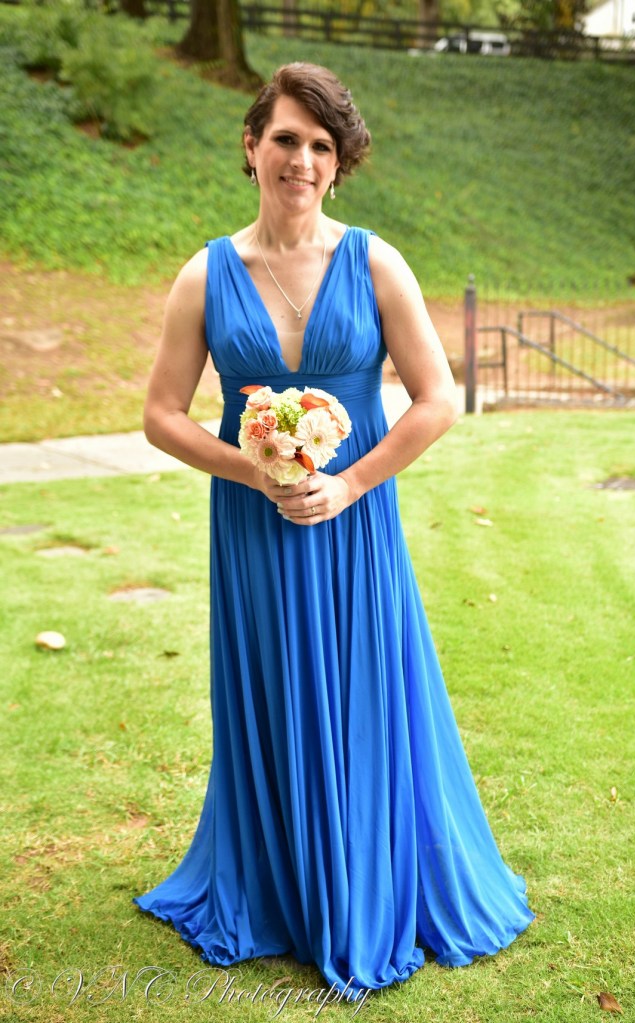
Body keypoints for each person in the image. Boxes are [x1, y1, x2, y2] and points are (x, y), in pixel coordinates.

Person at [133, 61, 534, 996]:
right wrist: (254, 469)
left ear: (339, 162)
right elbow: (160, 413)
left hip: (354, 527)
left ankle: (366, 880)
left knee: (363, 693)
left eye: (321, 145)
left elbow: (436, 400)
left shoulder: (376, 262)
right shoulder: (206, 274)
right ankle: (277, 887)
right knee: (272, 693)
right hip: (253, 528)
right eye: (285, 139)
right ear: (251, 147)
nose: (302, 161)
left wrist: (348, 483)